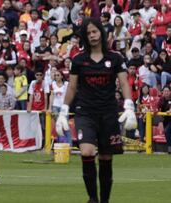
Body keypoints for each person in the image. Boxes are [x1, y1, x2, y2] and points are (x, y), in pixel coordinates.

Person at [56, 18, 137, 203]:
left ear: (100, 32)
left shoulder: (115, 58)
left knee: (106, 157)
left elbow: (124, 82)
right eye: (88, 33)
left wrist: (129, 105)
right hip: (85, 112)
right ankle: (92, 198)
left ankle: (104, 200)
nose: (92, 35)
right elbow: (72, 87)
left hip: (108, 113)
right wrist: (63, 111)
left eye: (95, 31)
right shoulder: (78, 60)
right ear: (84, 36)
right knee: (86, 152)